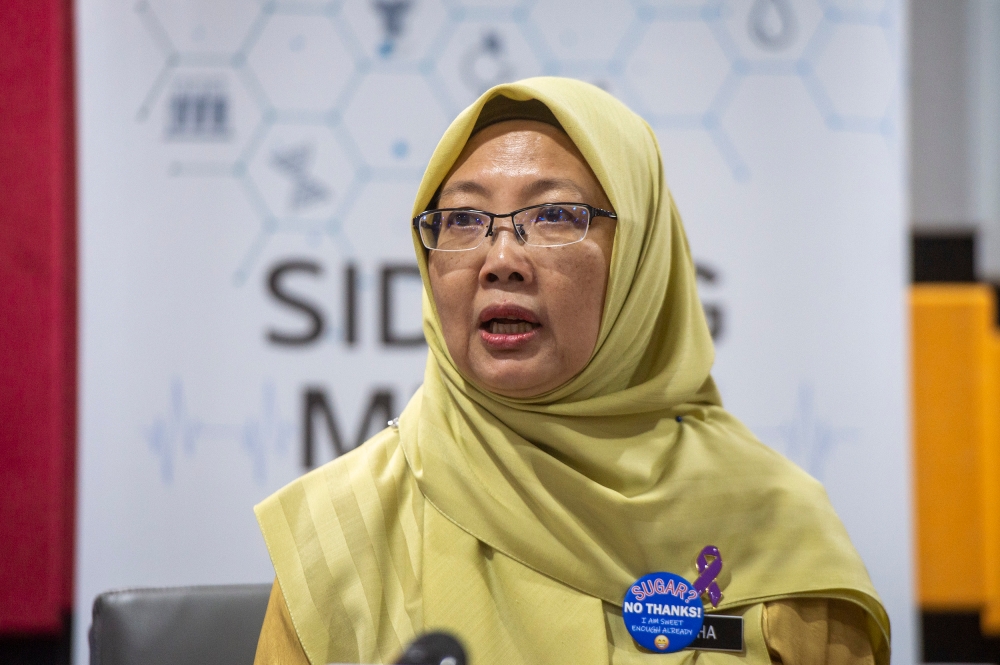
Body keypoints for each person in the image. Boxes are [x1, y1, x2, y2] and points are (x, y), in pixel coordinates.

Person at [252, 77, 889, 665]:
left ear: (642, 257)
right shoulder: (337, 534)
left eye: (555, 214)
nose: (501, 259)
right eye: (465, 220)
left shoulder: (775, 528)